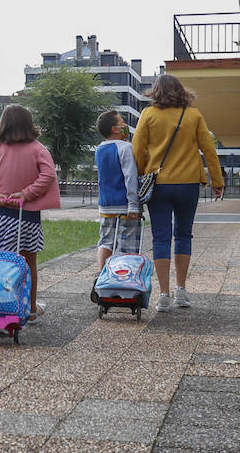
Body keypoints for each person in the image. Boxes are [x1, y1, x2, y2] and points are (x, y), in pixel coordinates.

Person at [131, 74, 224, 312]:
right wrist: (217, 180)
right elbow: (209, 149)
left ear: (156, 91)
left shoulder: (149, 115)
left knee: (161, 237)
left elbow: (138, 151)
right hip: (189, 184)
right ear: (181, 91)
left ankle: (163, 294)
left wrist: (139, 179)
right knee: (184, 235)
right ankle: (182, 291)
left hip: (159, 185)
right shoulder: (193, 115)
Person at [0, 104, 60, 320]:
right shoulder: (38, 148)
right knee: (28, 262)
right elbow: (48, 175)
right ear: (29, 124)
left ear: (3, 124)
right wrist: (26, 194)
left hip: (1, 216)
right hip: (28, 215)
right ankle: (29, 307)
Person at [93, 110, 141, 267]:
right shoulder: (126, 148)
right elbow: (130, 177)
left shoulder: (99, 149)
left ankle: (101, 275)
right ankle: (126, 277)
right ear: (115, 129)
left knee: (106, 241)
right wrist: (134, 204)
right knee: (129, 244)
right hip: (125, 205)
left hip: (106, 205)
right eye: (122, 122)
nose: (125, 125)